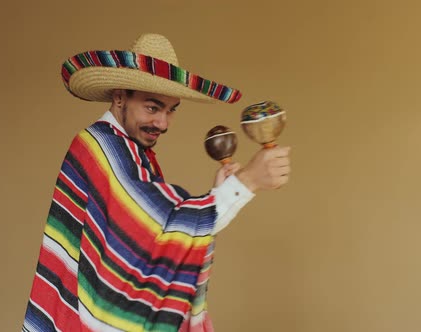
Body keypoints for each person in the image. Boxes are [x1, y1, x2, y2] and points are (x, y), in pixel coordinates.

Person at [22, 33, 291, 332]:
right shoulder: (102, 147)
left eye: (171, 110)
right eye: (152, 108)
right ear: (120, 97)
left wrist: (219, 193)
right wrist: (248, 180)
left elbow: (160, 233)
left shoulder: (134, 152)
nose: (162, 123)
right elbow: (163, 225)